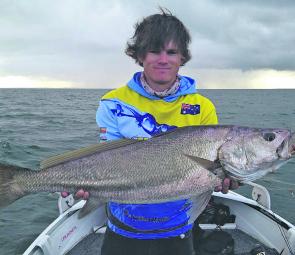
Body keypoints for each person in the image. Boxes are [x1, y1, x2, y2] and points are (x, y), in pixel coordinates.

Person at [63, 8, 238, 255]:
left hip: (178, 227)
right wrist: (84, 182)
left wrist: (227, 178)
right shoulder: (113, 103)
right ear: (140, 55)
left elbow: (211, 174)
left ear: (182, 57)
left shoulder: (202, 107)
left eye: (172, 52)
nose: (163, 59)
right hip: (123, 227)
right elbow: (108, 158)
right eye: (155, 51)